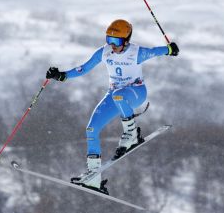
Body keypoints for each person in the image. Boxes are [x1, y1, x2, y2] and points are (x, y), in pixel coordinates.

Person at [46, 19, 179, 194]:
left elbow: (156, 51)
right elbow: (83, 69)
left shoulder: (136, 53)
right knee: (91, 129)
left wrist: (170, 49)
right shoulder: (104, 52)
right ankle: (93, 177)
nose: (112, 45)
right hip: (114, 95)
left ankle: (131, 134)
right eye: (108, 40)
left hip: (135, 93)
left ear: (126, 40)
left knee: (119, 95)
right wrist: (62, 75)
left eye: (116, 41)